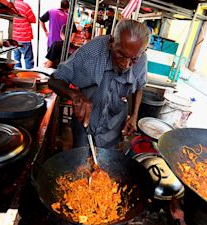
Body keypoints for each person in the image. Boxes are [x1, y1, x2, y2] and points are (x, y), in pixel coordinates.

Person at [47, 20, 150, 149]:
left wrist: (134, 115)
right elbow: (54, 80)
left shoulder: (141, 58)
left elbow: (139, 86)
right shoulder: (92, 51)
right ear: (111, 42)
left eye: (133, 59)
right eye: (121, 55)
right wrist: (75, 95)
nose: (125, 64)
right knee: (82, 161)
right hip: (85, 122)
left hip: (114, 125)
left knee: (106, 163)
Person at [12, 0, 36, 69]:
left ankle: (17, 77)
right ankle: (29, 77)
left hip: (14, 38)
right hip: (24, 38)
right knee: (28, 59)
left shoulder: (11, 5)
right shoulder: (25, 6)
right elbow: (33, 19)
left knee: (16, 60)